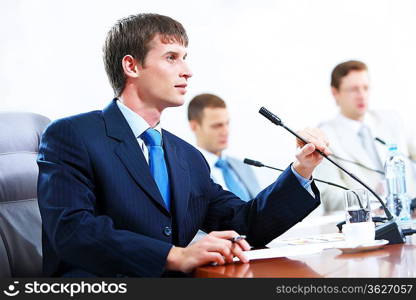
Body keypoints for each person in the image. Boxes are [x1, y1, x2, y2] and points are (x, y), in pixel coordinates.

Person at [37, 13, 329, 277]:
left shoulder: (187, 156)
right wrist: (174, 255)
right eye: (171, 57)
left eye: (185, 57)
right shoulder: (72, 135)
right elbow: (72, 230)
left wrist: (302, 169)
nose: (187, 70)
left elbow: (245, 224)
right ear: (131, 66)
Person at [314, 60, 416, 212]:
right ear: (335, 92)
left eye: (365, 88)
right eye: (353, 89)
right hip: (365, 224)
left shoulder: (392, 120)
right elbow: (329, 198)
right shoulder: (325, 136)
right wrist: (372, 198)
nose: (361, 95)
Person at [187, 93, 260, 201]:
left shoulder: (243, 166)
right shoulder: (187, 173)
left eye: (227, 123)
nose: (225, 131)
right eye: (217, 125)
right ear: (194, 126)